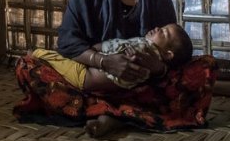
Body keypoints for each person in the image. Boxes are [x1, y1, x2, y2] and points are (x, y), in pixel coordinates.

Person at [13, 0, 218, 138]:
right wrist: (104, 61)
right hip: (89, 78)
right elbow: (67, 42)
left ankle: (100, 111)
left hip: (140, 86)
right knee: (27, 66)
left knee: (206, 66)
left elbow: (171, 54)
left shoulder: (158, 0)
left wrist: (157, 68)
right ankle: (122, 114)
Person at [31, 22, 193, 92]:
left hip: (85, 76)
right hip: (90, 70)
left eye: (163, 32)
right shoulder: (148, 50)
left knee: (50, 59)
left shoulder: (144, 51)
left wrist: (94, 50)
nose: (157, 28)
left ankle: (34, 55)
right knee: (59, 60)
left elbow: (115, 47)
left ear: (168, 54)